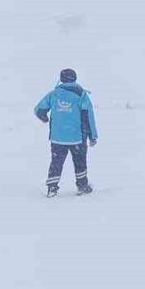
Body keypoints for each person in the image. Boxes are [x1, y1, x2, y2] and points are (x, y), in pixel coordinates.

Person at [34, 68, 98, 197]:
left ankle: (52, 187)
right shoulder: (81, 95)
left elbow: (39, 109)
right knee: (80, 162)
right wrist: (92, 136)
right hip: (77, 138)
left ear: (61, 79)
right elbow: (88, 117)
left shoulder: (53, 94)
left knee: (56, 163)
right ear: (74, 78)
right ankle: (82, 186)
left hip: (57, 138)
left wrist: (45, 118)